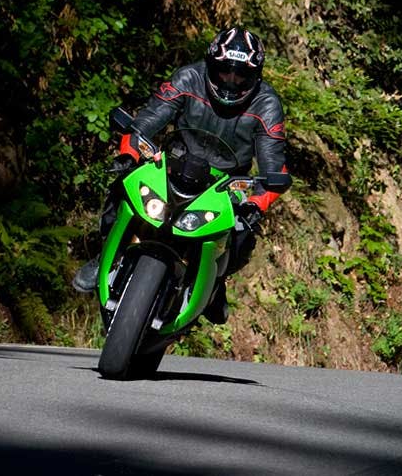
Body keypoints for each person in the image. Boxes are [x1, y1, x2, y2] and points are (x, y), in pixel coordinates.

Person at [73, 26, 291, 324]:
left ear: (256, 75)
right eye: (225, 71)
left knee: (243, 234)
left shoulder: (267, 104)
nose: (231, 80)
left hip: (226, 184)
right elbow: (146, 120)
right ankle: (106, 257)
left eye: (241, 74)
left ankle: (215, 283)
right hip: (174, 164)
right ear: (211, 64)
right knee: (124, 186)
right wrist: (130, 153)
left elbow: (274, 164)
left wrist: (257, 202)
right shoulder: (188, 77)